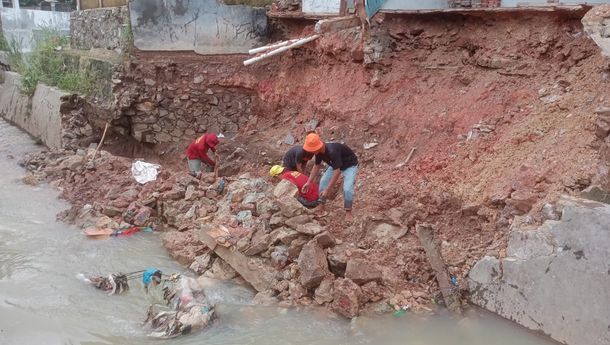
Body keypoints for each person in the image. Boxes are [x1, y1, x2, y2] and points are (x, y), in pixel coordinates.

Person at [302, 133, 359, 218]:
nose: (311, 152)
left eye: (311, 150)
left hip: (350, 166)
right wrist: (308, 182)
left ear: (317, 147)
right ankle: (321, 206)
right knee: (322, 182)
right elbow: (316, 165)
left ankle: (348, 211)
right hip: (335, 165)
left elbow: (337, 172)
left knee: (347, 189)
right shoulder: (318, 152)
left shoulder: (332, 151)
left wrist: (328, 190)